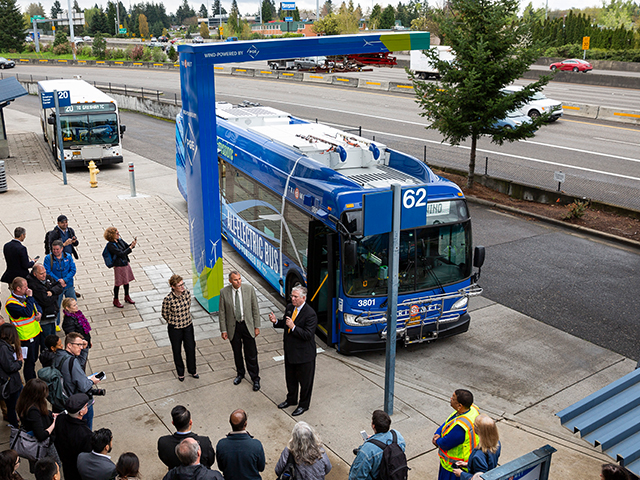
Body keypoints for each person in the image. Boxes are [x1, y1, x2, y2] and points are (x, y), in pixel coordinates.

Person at [269, 286, 318, 416]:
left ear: (303, 298)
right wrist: (276, 322)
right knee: (290, 379)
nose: (293, 298)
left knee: (305, 382)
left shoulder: (310, 314)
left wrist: (294, 327)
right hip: (290, 352)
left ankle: (303, 405)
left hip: (304, 355)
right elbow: (286, 323)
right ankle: (291, 399)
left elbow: (308, 335)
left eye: (296, 297)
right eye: (292, 296)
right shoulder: (290, 307)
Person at [219, 271, 261, 391]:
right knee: (237, 352)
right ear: (230, 281)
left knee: (251, 353)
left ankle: (255, 378)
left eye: (240, 279)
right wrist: (223, 329)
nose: (239, 282)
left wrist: (257, 326)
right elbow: (222, 312)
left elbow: (255, 309)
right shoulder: (224, 292)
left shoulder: (249, 289)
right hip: (234, 327)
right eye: (236, 280)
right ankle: (240, 374)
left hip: (247, 325)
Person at [53, 332, 102, 429]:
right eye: (78, 345)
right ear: (69, 345)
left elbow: (79, 364)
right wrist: (92, 381)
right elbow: (84, 386)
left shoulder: (59, 356)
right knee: (86, 430)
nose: (81, 347)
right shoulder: (72, 361)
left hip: (64, 400)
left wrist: (85, 349)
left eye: (82, 345)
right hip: (78, 403)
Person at [433, 389, 480, 480]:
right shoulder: (472, 409)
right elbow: (448, 422)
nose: (450, 398)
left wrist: (436, 440)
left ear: (459, 405)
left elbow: (445, 443)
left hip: (453, 469)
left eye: (453, 398)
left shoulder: (460, 428)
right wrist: (438, 432)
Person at [16, 379, 60, 473]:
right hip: (43, 447)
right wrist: (54, 423)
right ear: (37, 395)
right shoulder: (33, 411)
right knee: (53, 468)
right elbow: (41, 435)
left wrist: (51, 414)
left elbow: (39, 415)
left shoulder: (24, 402)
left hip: (33, 445)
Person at [4, 277, 42, 382]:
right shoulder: (11, 304)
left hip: (35, 332)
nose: (28, 288)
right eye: (25, 286)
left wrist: (39, 312)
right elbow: (27, 312)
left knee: (34, 359)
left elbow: (36, 305)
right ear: (18, 288)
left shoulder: (25, 296)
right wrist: (30, 297)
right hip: (25, 337)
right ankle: (31, 383)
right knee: (29, 362)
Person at [349, 410, 406, 480]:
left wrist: (373, 440)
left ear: (373, 426)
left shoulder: (367, 451)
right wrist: (375, 438)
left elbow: (356, 477)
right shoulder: (397, 436)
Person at [161, 275, 197, 382]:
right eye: (179, 285)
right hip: (175, 328)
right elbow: (164, 313)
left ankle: (192, 370)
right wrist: (173, 321)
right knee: (177, 351)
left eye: (183, 284)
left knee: (190, 348)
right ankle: (180, 372)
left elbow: (188, 307)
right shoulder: (168, 299)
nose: (182, 287)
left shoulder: (187, 293)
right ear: (173, 287)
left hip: (187, 325)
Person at [157, 405, 215, 470]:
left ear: (173, 423)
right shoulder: (205, 442)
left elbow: (164, 458)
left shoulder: (163, 443)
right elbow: (211, 460)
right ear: (190, 422)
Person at [216, 409, 265, 480]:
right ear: (245, 424)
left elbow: (221, 467)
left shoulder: (221, 445)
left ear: (230, 422)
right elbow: (261, 468)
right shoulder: (256, 445)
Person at [53, 393, 92, 480]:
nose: (87, 407)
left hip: (66, 461)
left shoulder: (60, 419)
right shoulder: (85, 434)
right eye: (86, 406)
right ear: (81, 412)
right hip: (78, 466)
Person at [452, 414, 500, 480]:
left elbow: (480, 478)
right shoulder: (497, 444)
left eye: (474, 425)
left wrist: (461, 473)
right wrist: (468, 464)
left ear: (478, 431)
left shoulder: (478, 456)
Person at [44, 240, 78, 327]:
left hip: (68, 285)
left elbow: (73, 270)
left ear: (62, 248)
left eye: (57, 249)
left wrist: (65, 280)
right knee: (57, 306)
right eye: (53, 249)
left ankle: (75, 319)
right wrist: (59, 281)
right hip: (56, 287)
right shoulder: (48, 258)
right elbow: (48, 272)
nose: (55, 251)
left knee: (73, 303)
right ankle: (57, 323)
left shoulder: (68, 257)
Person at [103, 227, 137, 308]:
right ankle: (115, 299)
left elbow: (126, 247)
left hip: (125, 262)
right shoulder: (110, 245)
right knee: (118, 283)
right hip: (118, 265)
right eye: (117, 233)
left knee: (126, 281)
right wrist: (130, 247)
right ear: (112, 235)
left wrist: (132, 245)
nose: (118, 234)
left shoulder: (119, 240)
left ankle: (127, 296)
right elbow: (121, 253)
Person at [27, 265, 63, 338]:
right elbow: (45, 301)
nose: (44, 275)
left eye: (45, 272)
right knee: (47, 339)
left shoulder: (48, 277)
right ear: (35, 274)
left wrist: (52, 292)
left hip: (52, 313)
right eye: (41, 274)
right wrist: (56, 295)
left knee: (53, 337)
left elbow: (59, 286)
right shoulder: (33, 284)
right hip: (44, 317)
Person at [0, 323, 23, 428]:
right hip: (11, 384)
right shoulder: (3, 348)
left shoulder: (4, 346)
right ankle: (14, 425)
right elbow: (10, 367)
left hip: (11, 382)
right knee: (13, 406)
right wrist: (19, 362)